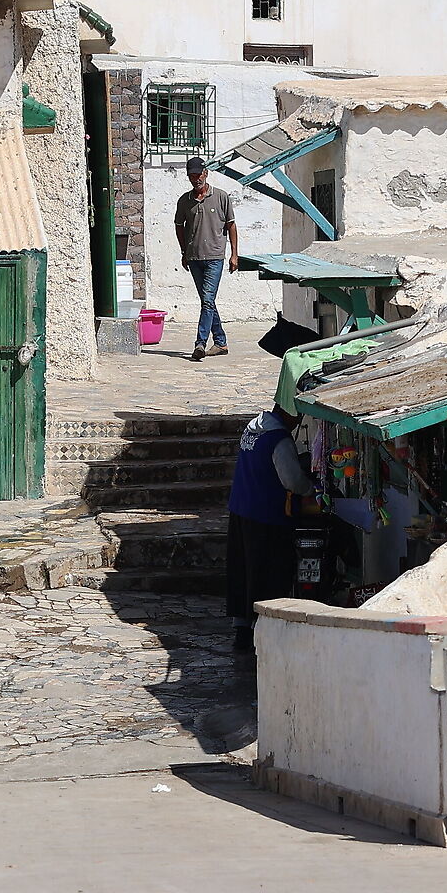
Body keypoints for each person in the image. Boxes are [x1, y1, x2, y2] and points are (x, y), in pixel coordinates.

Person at [225, 406, 311, 654]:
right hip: (266, 515)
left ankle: (242, 628)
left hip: (241, 508)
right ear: (290, 414)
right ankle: (262, 631)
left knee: (243, 570)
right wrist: (309, 490)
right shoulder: (279, 439)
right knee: (267, 572)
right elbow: (292, 480)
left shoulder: (254, 429)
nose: (297, 423)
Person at [174, 157, 238, 361]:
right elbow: (179, 226)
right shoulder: (185, 201)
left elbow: (231, 226)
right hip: (194, 258)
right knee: (207, 301)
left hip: (215, 258)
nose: (195, 179)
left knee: (207, 301)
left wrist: (234, 254)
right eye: (191, 176)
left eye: (198, 175)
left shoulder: (221, 197)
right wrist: (184, 251)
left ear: (206, 173)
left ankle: (200, 343)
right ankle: (220, 342)